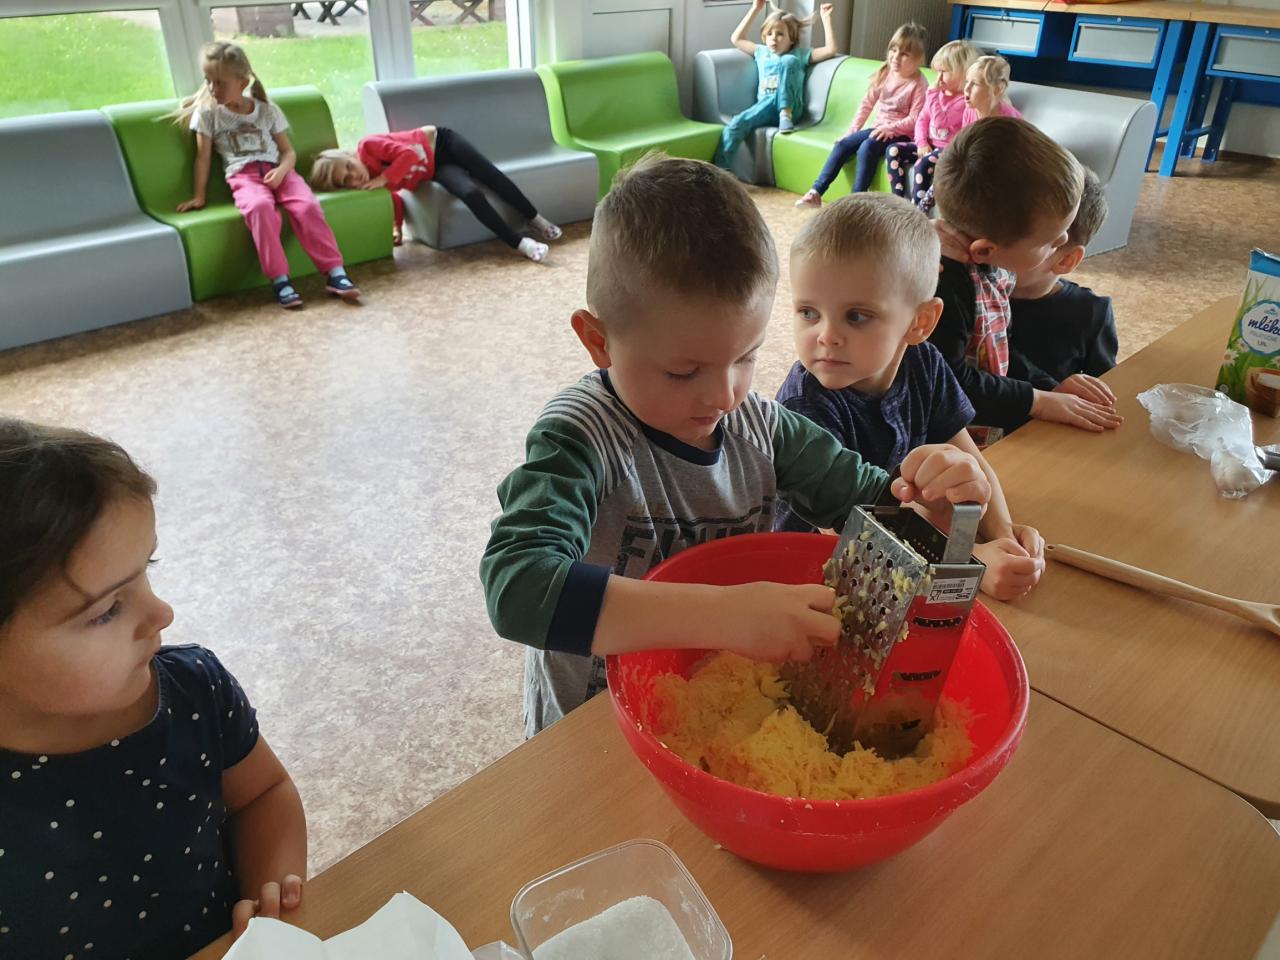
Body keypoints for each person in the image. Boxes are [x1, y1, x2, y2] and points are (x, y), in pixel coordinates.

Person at [479, 154, 994, 738]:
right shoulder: (579, 438)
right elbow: (518, 588)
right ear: (599, 341)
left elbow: (880, 506)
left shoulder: (764, 428)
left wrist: (935, 505)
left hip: (720, 708)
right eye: (683, 371)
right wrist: (724, 616)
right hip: (592, 724)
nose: (724, 396)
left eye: (746, 358)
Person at [0, 418, 306, 958]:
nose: (162, 613)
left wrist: (270, 894)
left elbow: (263, 795)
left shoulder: (196, 691)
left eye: (148, 567)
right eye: (106, 611)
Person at [775, 194, 1044, 601]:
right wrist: (968, 562)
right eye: (808, 312)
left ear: (920, 322)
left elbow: (971, 460)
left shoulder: (925, 364)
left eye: (856, 316)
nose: (826, 336)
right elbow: (853, 538)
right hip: (818, 574)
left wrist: (1002, 535)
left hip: (905, 550)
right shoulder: (805, 405)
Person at [928, 117, 1123, 443]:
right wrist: (1038, 401)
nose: (1064, 241)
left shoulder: (992, 265)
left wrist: (1048, 387)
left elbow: (998, 350)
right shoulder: (944, 283)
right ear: (985, 249)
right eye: (1051, 242)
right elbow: (949, 383)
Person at [174, 41, 360, 310]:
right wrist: (199, 196)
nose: (212, 89)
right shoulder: (207, 115)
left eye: (220, 83)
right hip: (244, 177)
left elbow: (288, 153)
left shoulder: (267, 110)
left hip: (280, 171)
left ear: (242, 82)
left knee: (307, 206)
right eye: (208, 81)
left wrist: (282, 171)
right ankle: (280, 280)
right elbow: (202, 158)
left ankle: (335, 273)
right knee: (260, 208)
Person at [310, 128, 562, 261]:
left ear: (349, 156)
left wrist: (384, 178)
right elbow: (394, 198)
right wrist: (397, 227)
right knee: (471, 193)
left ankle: (535, 218)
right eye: (346, 181)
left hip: (443, 143)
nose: (354, 176)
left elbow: (408, 154)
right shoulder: (373, 182)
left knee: (491, 176)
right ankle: (521, 244)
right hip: (436, 169)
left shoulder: (368, 146)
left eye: (349, 168)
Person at [795, 22, 928, 209]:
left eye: (904, 54)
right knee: (843, 144)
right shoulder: (885, 73)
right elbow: (866, 105)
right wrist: (852, 131)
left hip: (901, 135)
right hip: (878, 129)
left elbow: (915, 119)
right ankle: (816, 191)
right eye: (894, 50)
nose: (896, 57)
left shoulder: (919, 84)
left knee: (867, 147)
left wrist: (890, 128)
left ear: (918, 59)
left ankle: (856, 201)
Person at [1010, 168, 1120, 391]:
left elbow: (1105, 386)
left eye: (1015, 240)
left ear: (1066, 260)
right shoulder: (970, 291)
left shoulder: (1090, 312)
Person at [714, 0, 838, 170]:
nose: (773, 38)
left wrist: (826, 19)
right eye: (769, 33)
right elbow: (737, 38)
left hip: (792, 111)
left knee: (788, 61)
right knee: (736, 123)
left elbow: (831, 49)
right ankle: (719, 171)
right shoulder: (761, 52)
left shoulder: (799, 55)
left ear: (792, 38)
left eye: (780, 34)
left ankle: (785, 112)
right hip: (765, 107)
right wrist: (755, 9)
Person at [885, 39, 979, 210]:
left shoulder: (963, 101)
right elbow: (922, 120)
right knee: (893, 150)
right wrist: (921, 142)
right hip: (929, 146)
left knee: (922, 164)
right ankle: (898, 201)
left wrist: (932, 94)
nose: (938, 77)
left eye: (944, 72)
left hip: (949, 151)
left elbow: (941, 121)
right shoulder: (938, 95)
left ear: (962, 73)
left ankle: (918, 210)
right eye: (937, 71)